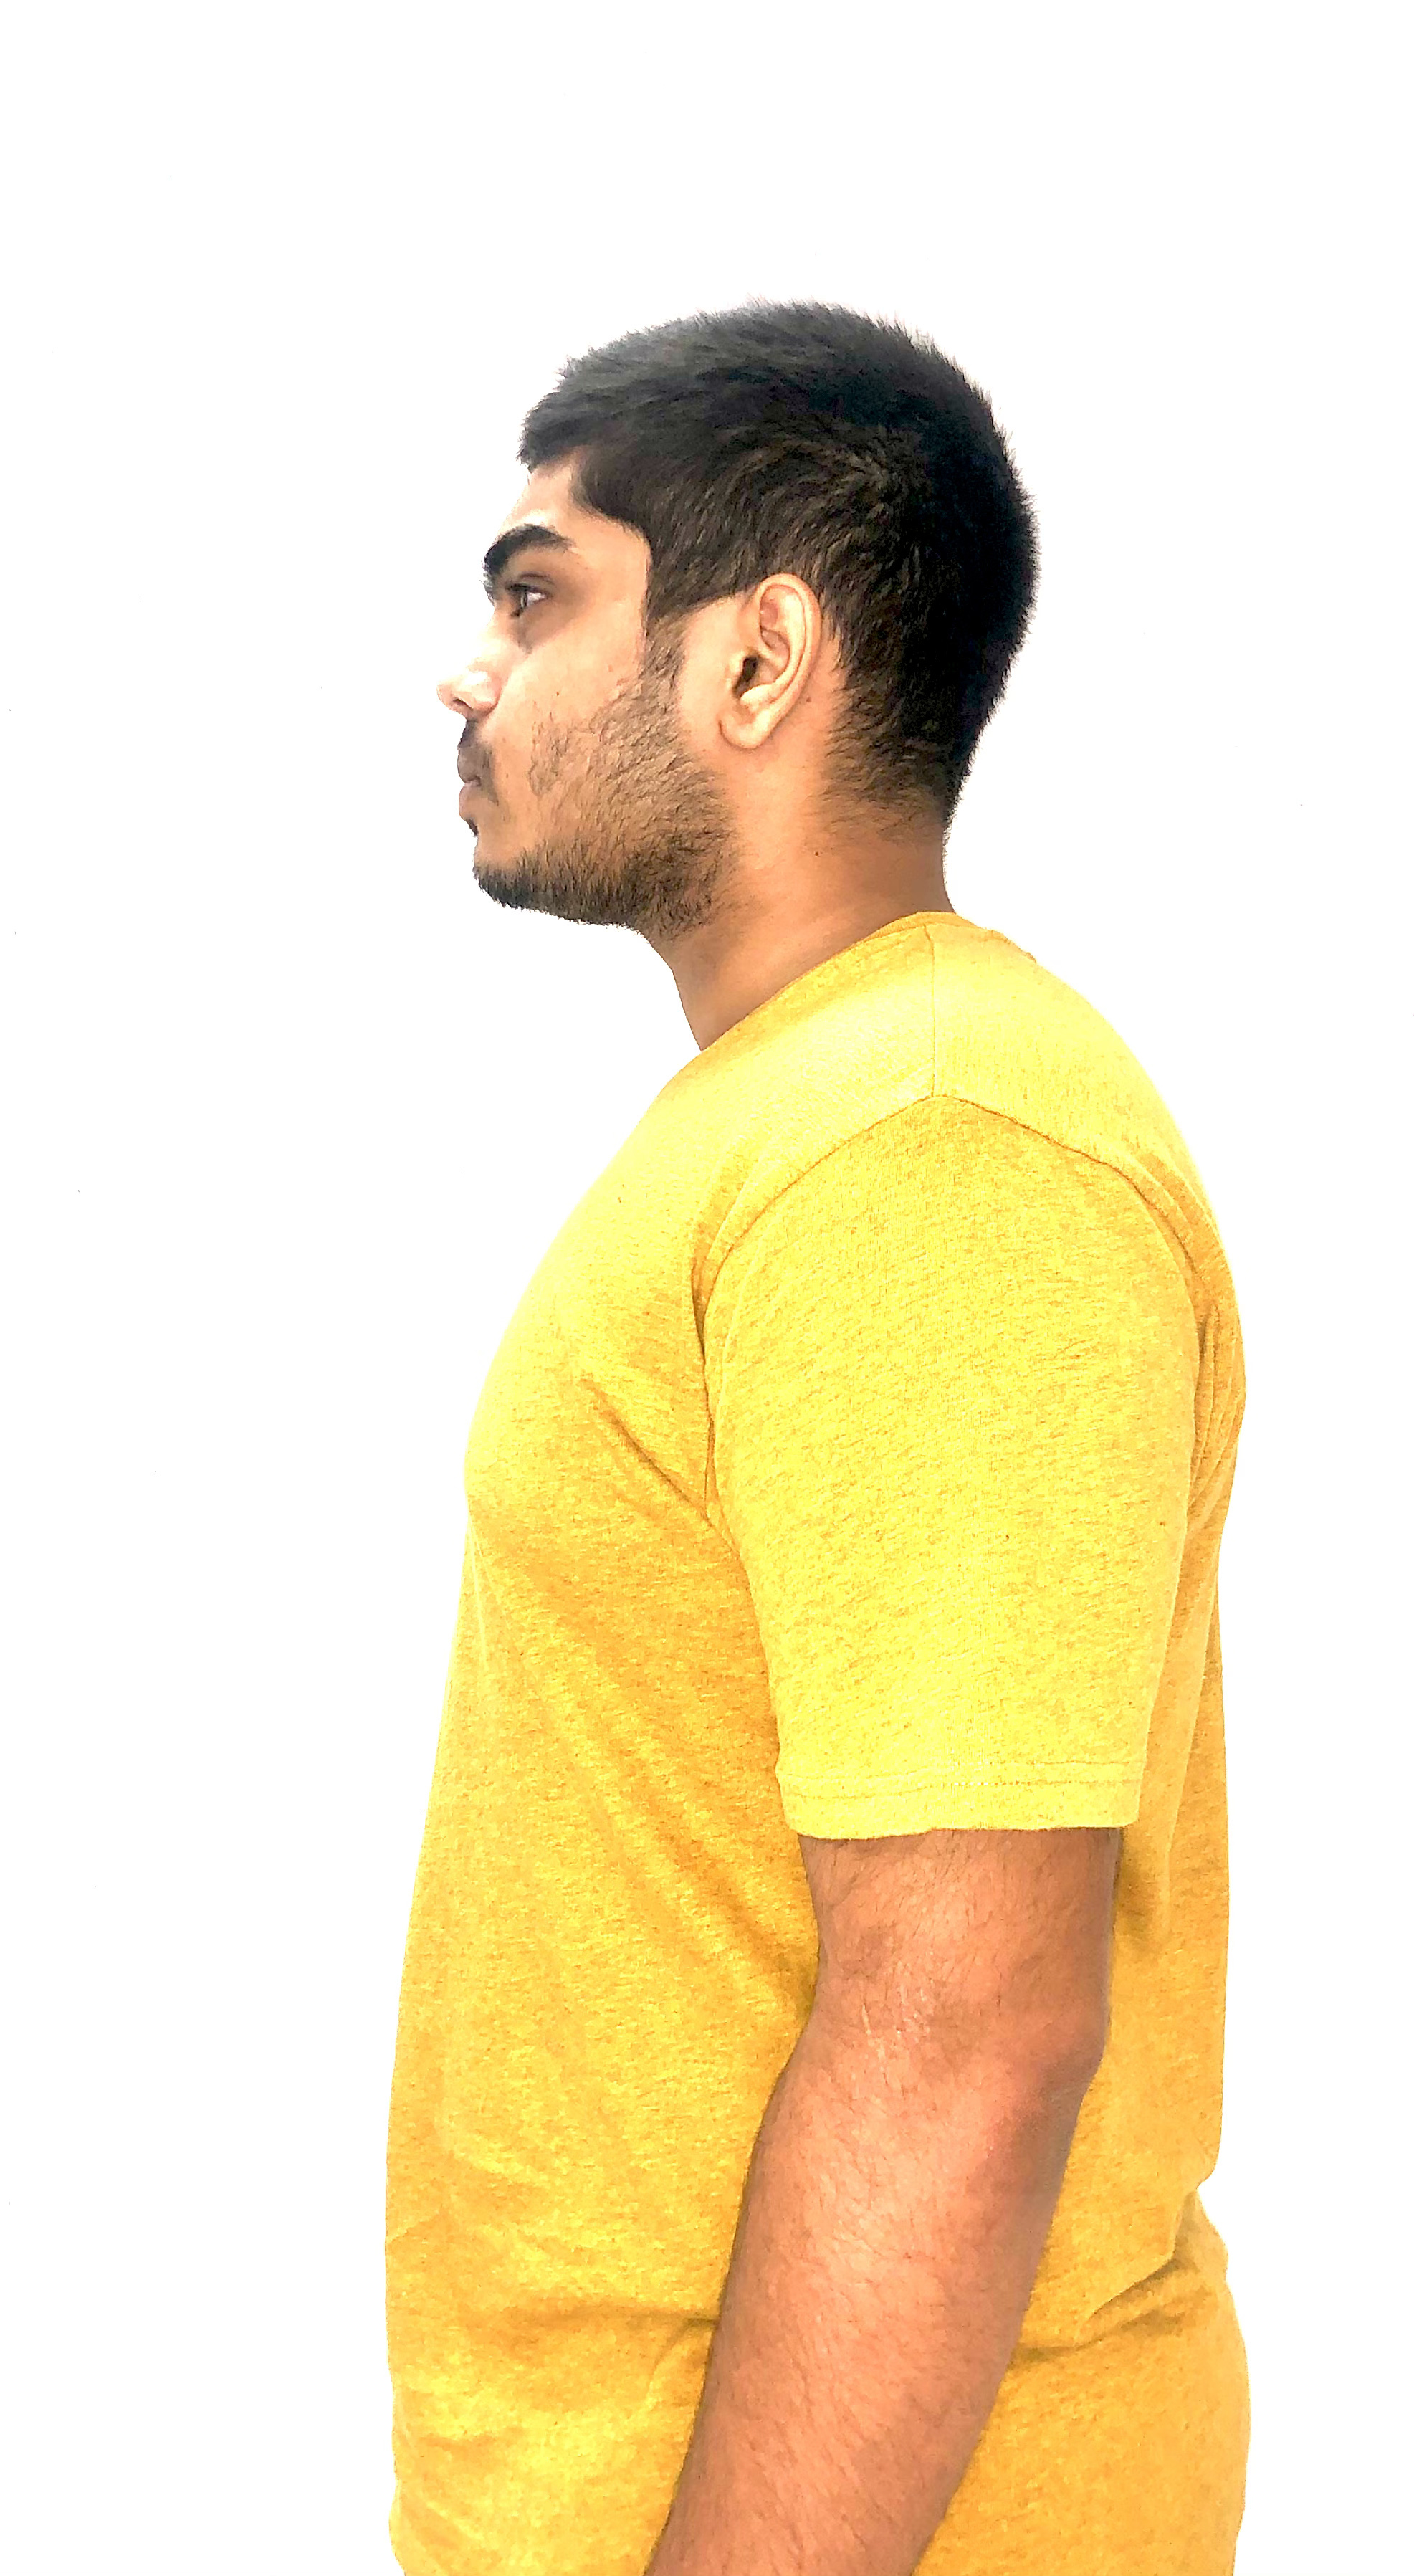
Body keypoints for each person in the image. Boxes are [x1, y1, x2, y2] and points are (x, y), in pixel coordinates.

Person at [386, 302, 1249, 2576]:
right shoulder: (808, 1117)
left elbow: (968, 2033)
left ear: (758, 662)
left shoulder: (925, 1145)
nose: (468, 673)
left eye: (537, 595)